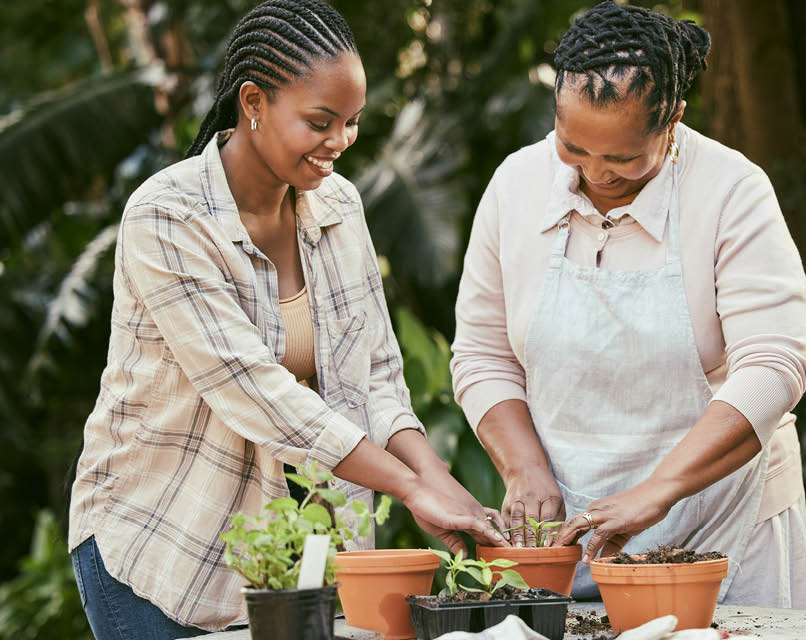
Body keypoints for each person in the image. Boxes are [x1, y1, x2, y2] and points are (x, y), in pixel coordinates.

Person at [67, 1, 506, 637]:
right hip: (160, 541)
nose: (340, 143)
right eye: (320, 121)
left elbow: (376, 376)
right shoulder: (166, 217)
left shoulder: (338, 205)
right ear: (253, 103)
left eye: (352, 122)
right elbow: (255, 391)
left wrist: (442, 483)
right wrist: (410, 490)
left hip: (285, 558)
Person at [450, 1, 806, 607]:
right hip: (571, 543)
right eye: (574, 149)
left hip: (725, 532)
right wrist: (524, 467)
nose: (596, 174)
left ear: (673, 121)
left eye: (622, 158)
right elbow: (482, 355)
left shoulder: (732, 192)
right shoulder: (515, 185)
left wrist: (660, 490)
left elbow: (773, 366)